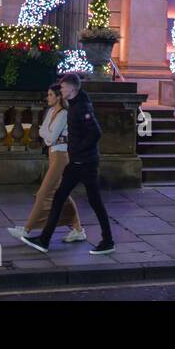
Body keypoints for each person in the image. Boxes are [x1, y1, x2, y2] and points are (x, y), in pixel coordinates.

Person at [20, 74, 115, 255]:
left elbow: (96, 133)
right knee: (59, 197)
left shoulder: (82, 107)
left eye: (62, 88)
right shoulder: (75, 104)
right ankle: (44, 240)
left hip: (86, 163)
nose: (60, 90)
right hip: (76, 162)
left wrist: (78, 149)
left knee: (95, 202)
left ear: (72, 89)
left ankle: (108, 241)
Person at [7, 84, 85, 243]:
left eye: (50, 95)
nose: (47, 97)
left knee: (43, 193)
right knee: (60, 192)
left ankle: (27, 229)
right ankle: (78, 229)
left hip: (61, 156)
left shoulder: (63, 114)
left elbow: (50, 136)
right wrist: (49, 135)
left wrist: (49, 135)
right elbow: (44, 133)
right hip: (52, 154)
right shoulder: (51, 112)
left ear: (58, 97)